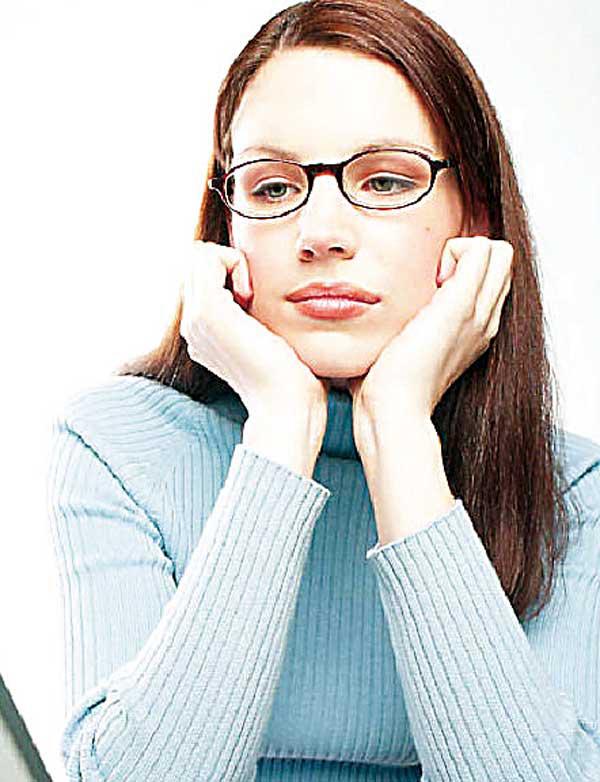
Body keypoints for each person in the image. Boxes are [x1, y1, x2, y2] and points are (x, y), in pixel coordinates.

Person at [46, 0, 600, 780]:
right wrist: (281, 427)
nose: (322, 234)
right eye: (273, 188)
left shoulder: (574, 489)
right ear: (227, 227)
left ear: (475, 220)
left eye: (384, 180)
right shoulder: (118, 445)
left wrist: (399, 433)